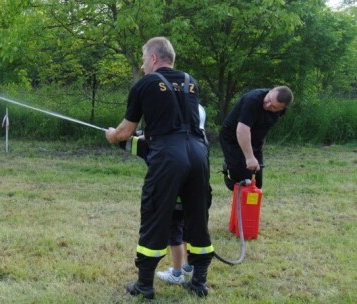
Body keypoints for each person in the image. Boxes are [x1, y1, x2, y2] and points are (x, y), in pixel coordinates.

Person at [106, 37, 213, 299]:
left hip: (168, 158)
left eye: (144, 60)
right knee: (197, 218)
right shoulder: (191, 82)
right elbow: (179, 122)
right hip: (199, 154)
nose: (143, 67)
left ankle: (144, 285)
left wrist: (113, 135)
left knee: (155, 215)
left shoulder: (145, 84)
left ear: (154, 58)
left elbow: (126, 131)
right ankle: (199, 283)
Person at [219, 86, 294, 190]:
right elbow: (242, 129)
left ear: (281, 108)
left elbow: (263, 125)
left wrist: (256, 150)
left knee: (256, 184)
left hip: (254, 141)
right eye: (269, 100)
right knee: (243, 179)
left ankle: (250, 206)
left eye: (273, 107)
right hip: (233, 137)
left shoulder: (281, 111)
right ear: (271, 90)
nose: (268, 105)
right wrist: (249, 157)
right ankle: (230, 168)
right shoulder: (252, 100)